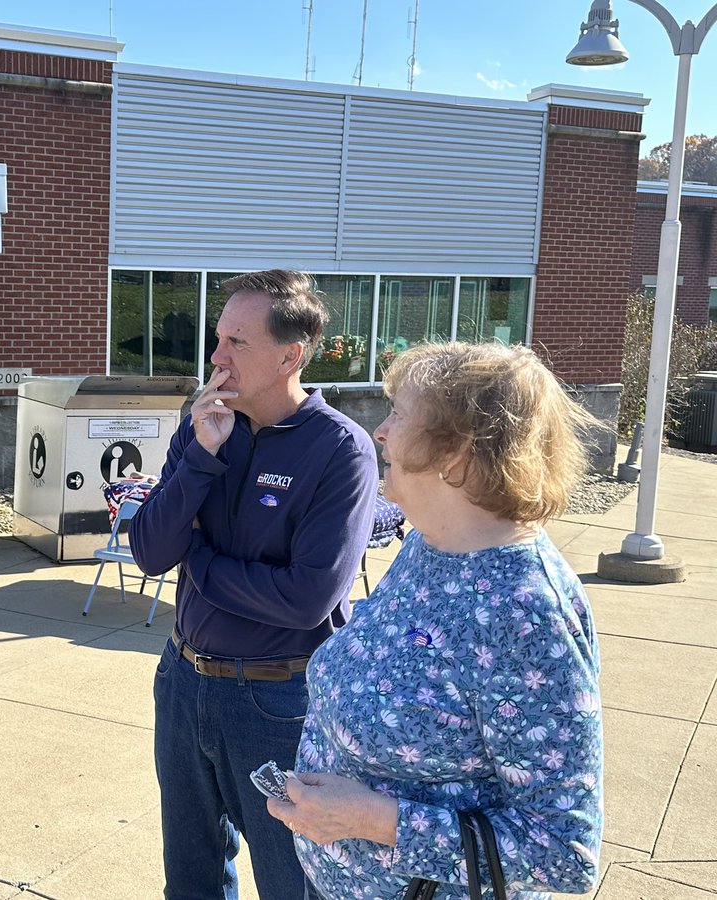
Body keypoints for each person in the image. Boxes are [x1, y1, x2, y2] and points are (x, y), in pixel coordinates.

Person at [265, 342, 603, 899]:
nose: (380, 432)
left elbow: (564, 853)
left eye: (399, 415)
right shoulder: (430, 544)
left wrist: (372, 819)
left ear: (457, 452)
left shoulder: (524, 612)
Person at [129, 270, 379, 899]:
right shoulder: (205, 424)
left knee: (291, 881)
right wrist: (200, 457)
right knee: (190, 878)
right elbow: (151, 552)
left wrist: (202, 564)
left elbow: (307, 597)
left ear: (290, 355)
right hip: (183, 683)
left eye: (236, 342)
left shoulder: (340, 450)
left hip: (276, 703)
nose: (216, 357)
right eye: (218, 339)